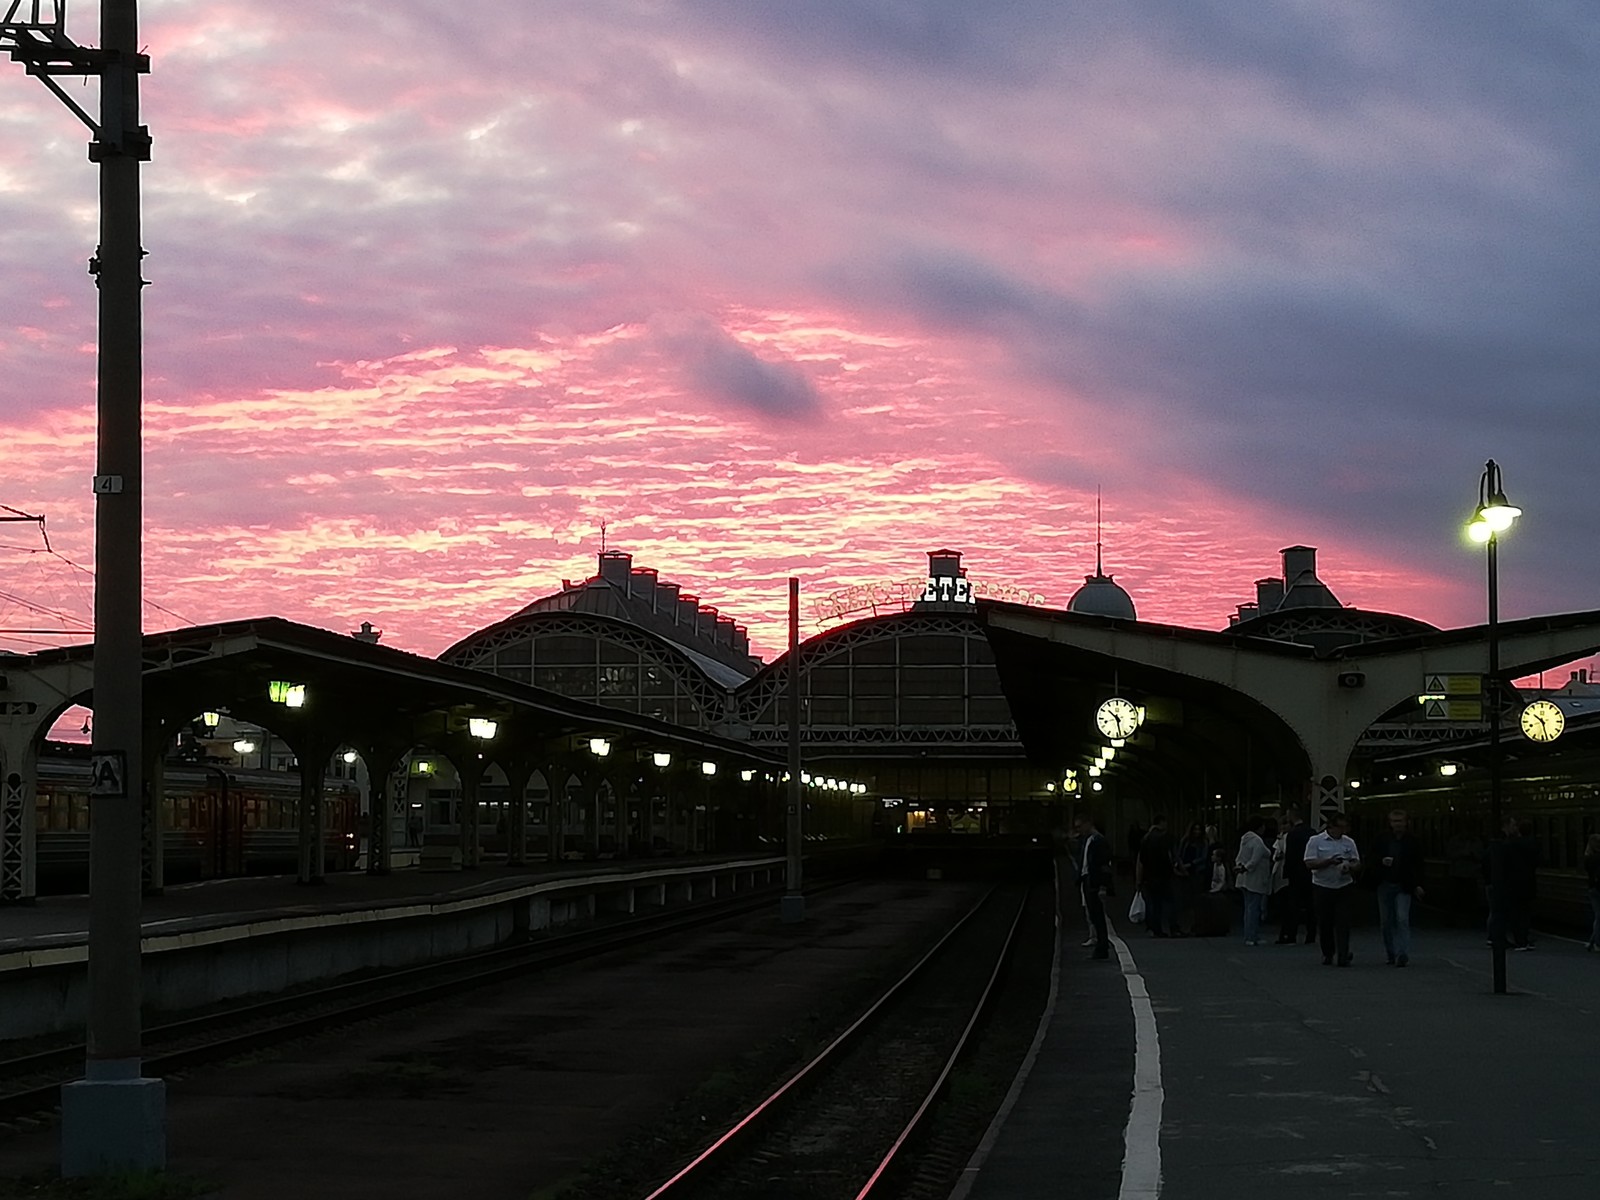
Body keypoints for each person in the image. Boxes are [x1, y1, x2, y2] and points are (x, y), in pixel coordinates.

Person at [1304, 812, 1361, 966]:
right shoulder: (1315, 841)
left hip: (1344, 886)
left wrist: (1350, 866)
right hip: (1322, 886)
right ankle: (1327, 952)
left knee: (1343, 921)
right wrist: (1329, 862)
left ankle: (1343, 954)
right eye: (1340, 827)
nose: (1342, 831)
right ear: (1331, 826)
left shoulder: (1349, 842)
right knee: (1325, 922)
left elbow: (1357, 862)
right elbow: (1309, 863)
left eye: (1345, 827)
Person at [1374, 808, 1425, 966]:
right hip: (1385, 883)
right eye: (1395, 821)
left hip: (1404, 885)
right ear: (1390, 823)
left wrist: (1418, 884)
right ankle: (1391, 952)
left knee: (1402, 918)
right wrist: (1381, 861)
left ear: (1406, 822)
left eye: (1400, 821)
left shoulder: (1413, 841)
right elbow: (1371, 857)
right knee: (1386, 921)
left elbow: (1418, 864)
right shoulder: (1381, 839)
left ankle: (1401, 953)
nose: (1397, 824)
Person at [1276, 807, 1316, 945]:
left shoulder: (1293, 835)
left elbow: (1290, 856)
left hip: (1296, 874)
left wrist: (1286, 873)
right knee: (1311, 906)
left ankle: (1291, 935)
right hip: (1310, 873)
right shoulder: (1312, 832)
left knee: (1294, 906)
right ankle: (1311, 935)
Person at [1077, 813, 1113, 960]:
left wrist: (1102, 886)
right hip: (1089, 880)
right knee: (1094, 915)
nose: (1079, 830)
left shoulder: (1098, 841)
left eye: (1080, 826)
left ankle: (1102, 947)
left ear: (1088, 823)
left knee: (1098, 916)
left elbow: (1103, 864)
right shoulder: (1090, 840)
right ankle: (1100, 945)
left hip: (1094, 882)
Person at [1234, 815, 1273, 945]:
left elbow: (1240, 857)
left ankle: (1248, 935)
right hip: (1255, 878)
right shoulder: (1258, 841)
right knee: (1254, 908)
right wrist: (1246, 868)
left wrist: (1240, 867)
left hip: (1244, 879)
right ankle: (1252, 936)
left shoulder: (1245, 839)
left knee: (1248, 908)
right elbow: (1255, 860)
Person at [1135, 816, 1177, 937]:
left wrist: (1139, 879)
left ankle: (1155, 929)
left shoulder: (1145, 839)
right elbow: (1170, 856)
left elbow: (1141, 860)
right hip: (1164, 875)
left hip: (1149, 876)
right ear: (1162, 823)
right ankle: (1173, 927)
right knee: (1170, 902)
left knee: (1153, 904)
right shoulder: (1165, 837)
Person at [1175, 822, 1210, 935]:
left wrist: (1190, 864)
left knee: (1196, 899)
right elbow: (1179, 854)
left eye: (1199, 830)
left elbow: (1203, 858)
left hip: (1197, 872)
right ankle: (1185, 926)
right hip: (1184, 872)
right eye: (1195, 830)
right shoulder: (1185, 841)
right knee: (1184, 900)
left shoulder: (1203, 843)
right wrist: (1181, 866)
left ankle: (1195, 925)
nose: (1197, 832)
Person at [1584, 834, 1600, 952]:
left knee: (1598, 916)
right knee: (1599, 917)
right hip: (1599, 888)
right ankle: (1596, 943)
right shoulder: (1598, 858)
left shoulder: (1588, 857)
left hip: (1592, 889)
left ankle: (1592, 941)